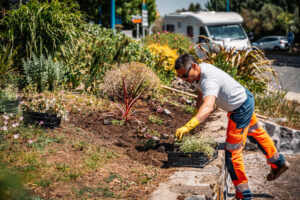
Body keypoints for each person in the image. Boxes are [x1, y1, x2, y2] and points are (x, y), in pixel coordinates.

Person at [174, 54, 289, 200]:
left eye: (184, 75)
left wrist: (188, 126)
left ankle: (243, 194)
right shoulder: (198, 74)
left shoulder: (209, 79)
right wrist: (195, 115)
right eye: (181, 78)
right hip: (244, 99)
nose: (184, 80)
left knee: (232, 154)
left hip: (240, 110)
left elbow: (209, 107)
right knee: (257, 133)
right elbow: (201, 95)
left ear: (194, 66)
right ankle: (278, 162)